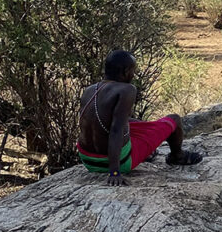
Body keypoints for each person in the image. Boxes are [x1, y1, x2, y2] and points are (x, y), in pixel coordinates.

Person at [77, 50, 202, 185]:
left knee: (138, 124)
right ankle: (177, 156)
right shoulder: (127, 89)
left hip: (88, 160)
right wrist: (114, 172)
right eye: (133, 70)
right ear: (125, 72)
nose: (133, 75)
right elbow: (116, 130)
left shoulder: (89, 90)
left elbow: (97, 123)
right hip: (116, 163)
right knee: (174, 119)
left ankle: (147, 153)